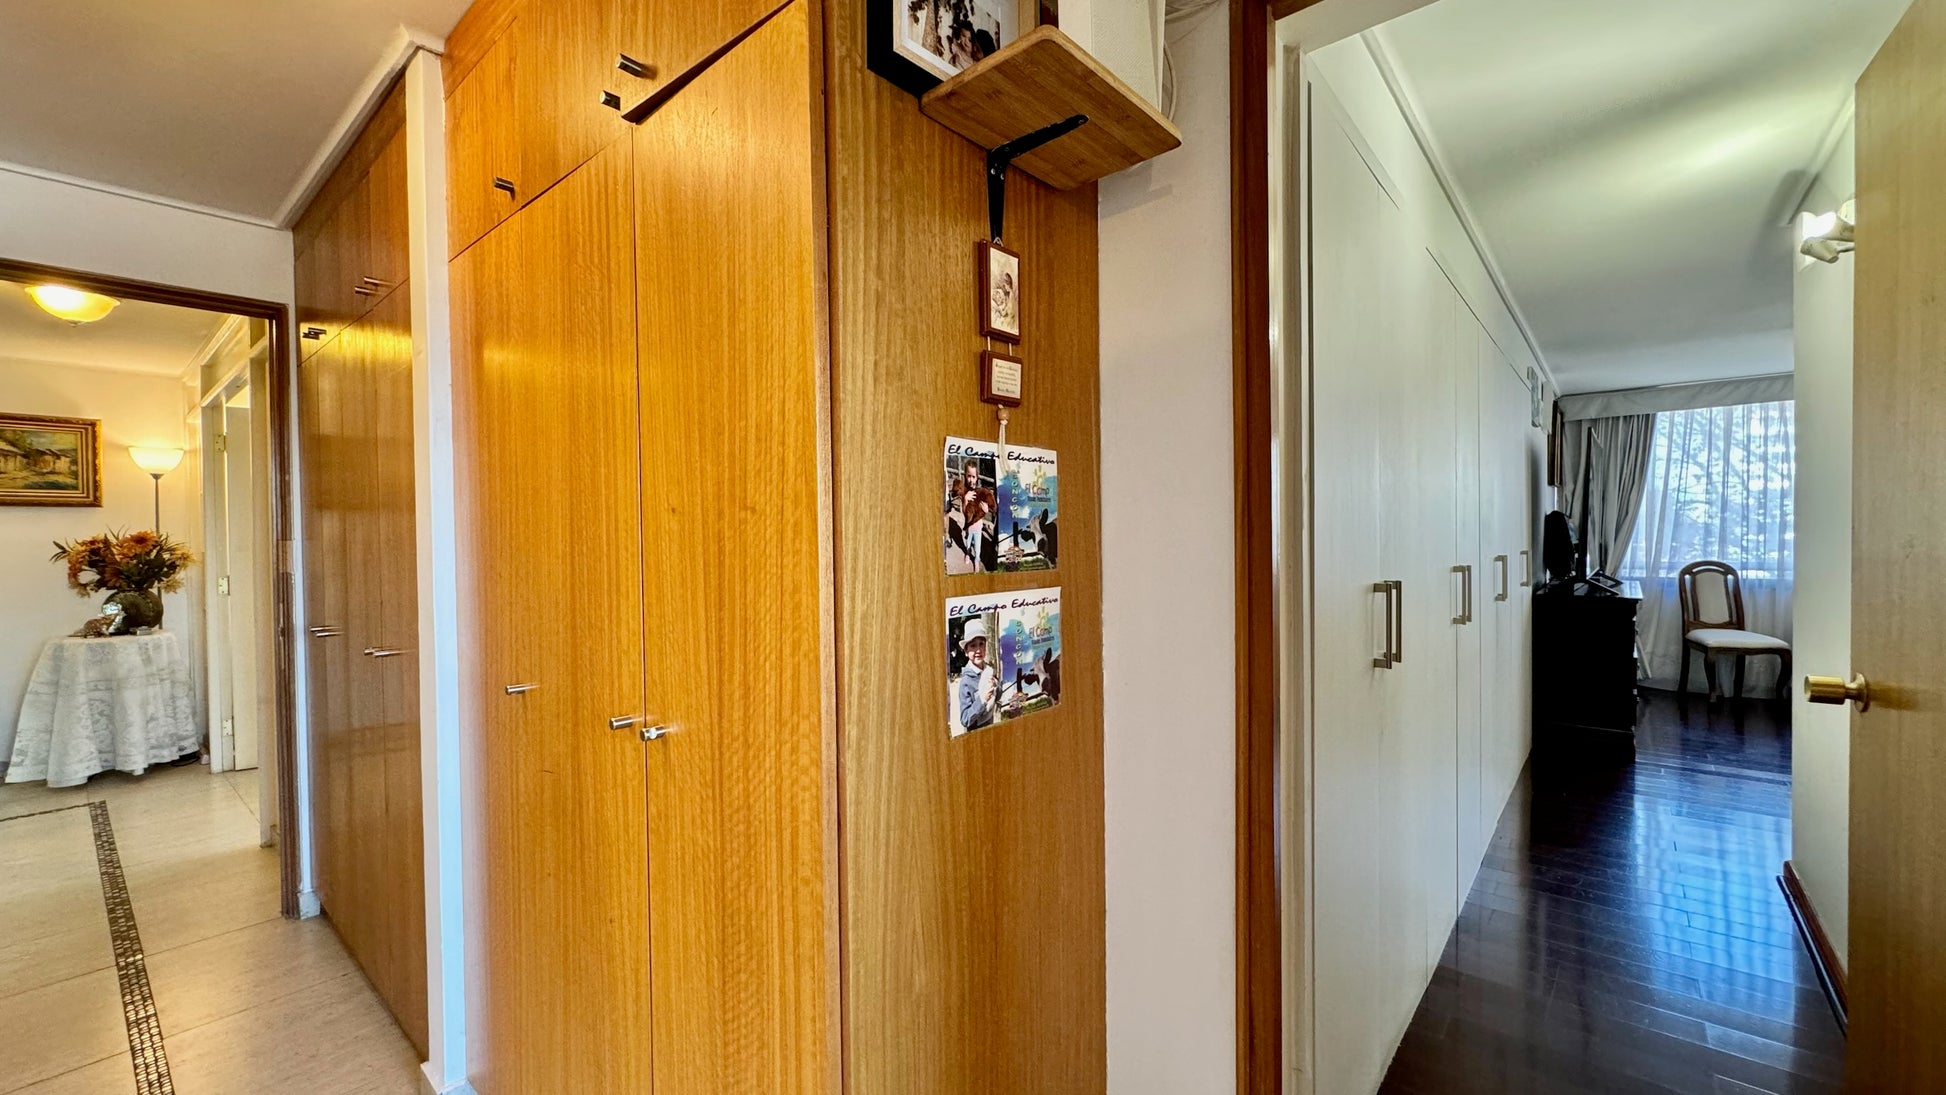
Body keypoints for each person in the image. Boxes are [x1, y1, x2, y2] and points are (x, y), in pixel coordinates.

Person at [957, 618, 999, 731]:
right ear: (966, 652)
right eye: (973, 645)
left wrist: (996, 685)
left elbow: (997, 696)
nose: (978, 650)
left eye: (981, 644)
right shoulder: (966, 682)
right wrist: (983, 700)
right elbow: (965, 719)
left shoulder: (989, 671)